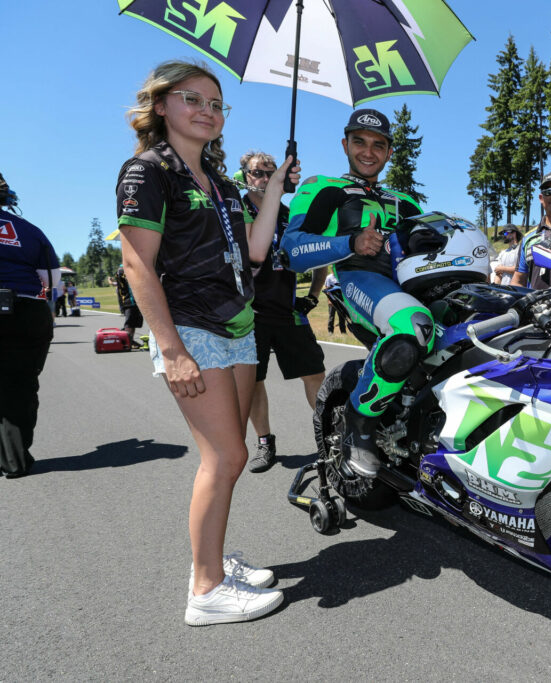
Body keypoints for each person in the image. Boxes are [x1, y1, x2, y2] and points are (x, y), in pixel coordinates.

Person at [115, 60, 300, 626]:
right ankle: (205, 589)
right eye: (193, 99)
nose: (207, 111)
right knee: (226, 456)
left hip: (236, 326)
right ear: (162, 105)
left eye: (217, 104)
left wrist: (275, 186)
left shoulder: (219, 182)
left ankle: (215, 562)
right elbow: (135, 263)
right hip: (191, 329)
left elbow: (256, 252)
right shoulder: (147, 171)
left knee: (227, 456)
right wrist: (170, 348)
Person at [281, 108, 426, 479]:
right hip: (361, 281)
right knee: (412, 326)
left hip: (413, 284)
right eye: (359, 142)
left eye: (379, 145)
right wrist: (351, 242)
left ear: (389, 152)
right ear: (345, 144)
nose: (368, 151)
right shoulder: (324, 187)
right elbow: (292, 250)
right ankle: (358, 428)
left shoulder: (408, 202)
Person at [238, 150, 327, 473]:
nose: (263, 178)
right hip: (249, 314)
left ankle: (329, 439)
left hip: (288, 311)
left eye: (269, 172)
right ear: (245, 176)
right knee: (254, 380)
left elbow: (320, 256)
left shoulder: (291, 216)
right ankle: (264, 441)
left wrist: (313, 297)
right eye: (257, 173)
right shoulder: (235, 212)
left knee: (315, 374)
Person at [0, 172, 60, 478]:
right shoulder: (28, 229)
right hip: (26, 309)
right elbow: (52, 279)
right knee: (20, 384)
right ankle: (15, 458)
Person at [510, 170, 551, 289]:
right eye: (548, 191)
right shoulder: (529, 238)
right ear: (541, 198)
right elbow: (518, 280)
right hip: (537, 307)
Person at [109, 265, 144, 349]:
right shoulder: (122, 270)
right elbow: (131, 280)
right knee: (129, 322)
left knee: (134, 322)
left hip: (131, 300)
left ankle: (130, 340)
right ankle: (126, 340)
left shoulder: (123, 270)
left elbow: (118, 283)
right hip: (128, 300)